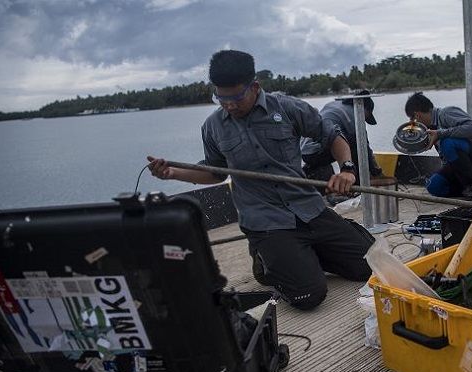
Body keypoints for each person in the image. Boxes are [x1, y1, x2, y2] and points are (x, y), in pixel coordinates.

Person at [147, 50, 374, 310]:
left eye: (236, 97)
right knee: (309, 296)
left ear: (255, 86)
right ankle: (268, 260)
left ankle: (303, 254)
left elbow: (331, 135)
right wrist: (173, 173)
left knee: (370, 266)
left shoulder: (287, 107)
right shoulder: (213, 127)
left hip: (308, 208)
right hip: (266, 222)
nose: (229, 105)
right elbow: (215, 172)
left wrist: (346, 169)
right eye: (221, 98)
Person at [404, 92, 472, 200]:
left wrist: (441, 134)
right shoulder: (432, 130)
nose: (412, 123)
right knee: (434, 186)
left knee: (448, 142)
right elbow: (451, 160)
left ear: (417, 115)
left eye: (411, 118)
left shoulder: (446, 113)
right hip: (469, 169)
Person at [300, 90, 384, 184]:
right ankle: (357, 186)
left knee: (345, 140)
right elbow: (364, 147)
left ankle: (312, 171)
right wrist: (377, 172)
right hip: (318, 151)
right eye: (366, 117)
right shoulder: (355, 114)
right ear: (365, 109)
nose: (364, 120)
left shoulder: (334, 104)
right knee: (356, 145)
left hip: (305, 151)